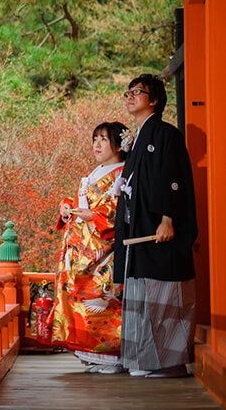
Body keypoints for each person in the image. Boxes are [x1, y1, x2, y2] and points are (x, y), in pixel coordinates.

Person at [114, 73, 197, 378]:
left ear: (155, 100)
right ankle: (147, 360)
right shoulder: (138, 138)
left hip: (160, 231)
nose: (130, 96)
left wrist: (168, 218)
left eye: (138, 92)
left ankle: (171, 363)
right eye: (128, 92)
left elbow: (172, 179)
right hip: (140, 234)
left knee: (166, 296)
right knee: (144, 298)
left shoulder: (165, 134)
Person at [50, 121, 128, 373]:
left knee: (103, 298)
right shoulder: (91, 175)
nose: (97, 144)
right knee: (78, 301)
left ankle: (112, 355)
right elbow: (76, 202)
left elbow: (123, 210)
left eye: (104, 139)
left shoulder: (124, 173)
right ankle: (91, 354)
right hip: (78, 250)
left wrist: (92, 216)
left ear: (119, 143)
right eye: (95, 138)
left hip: (103, 249)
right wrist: (66, 208)